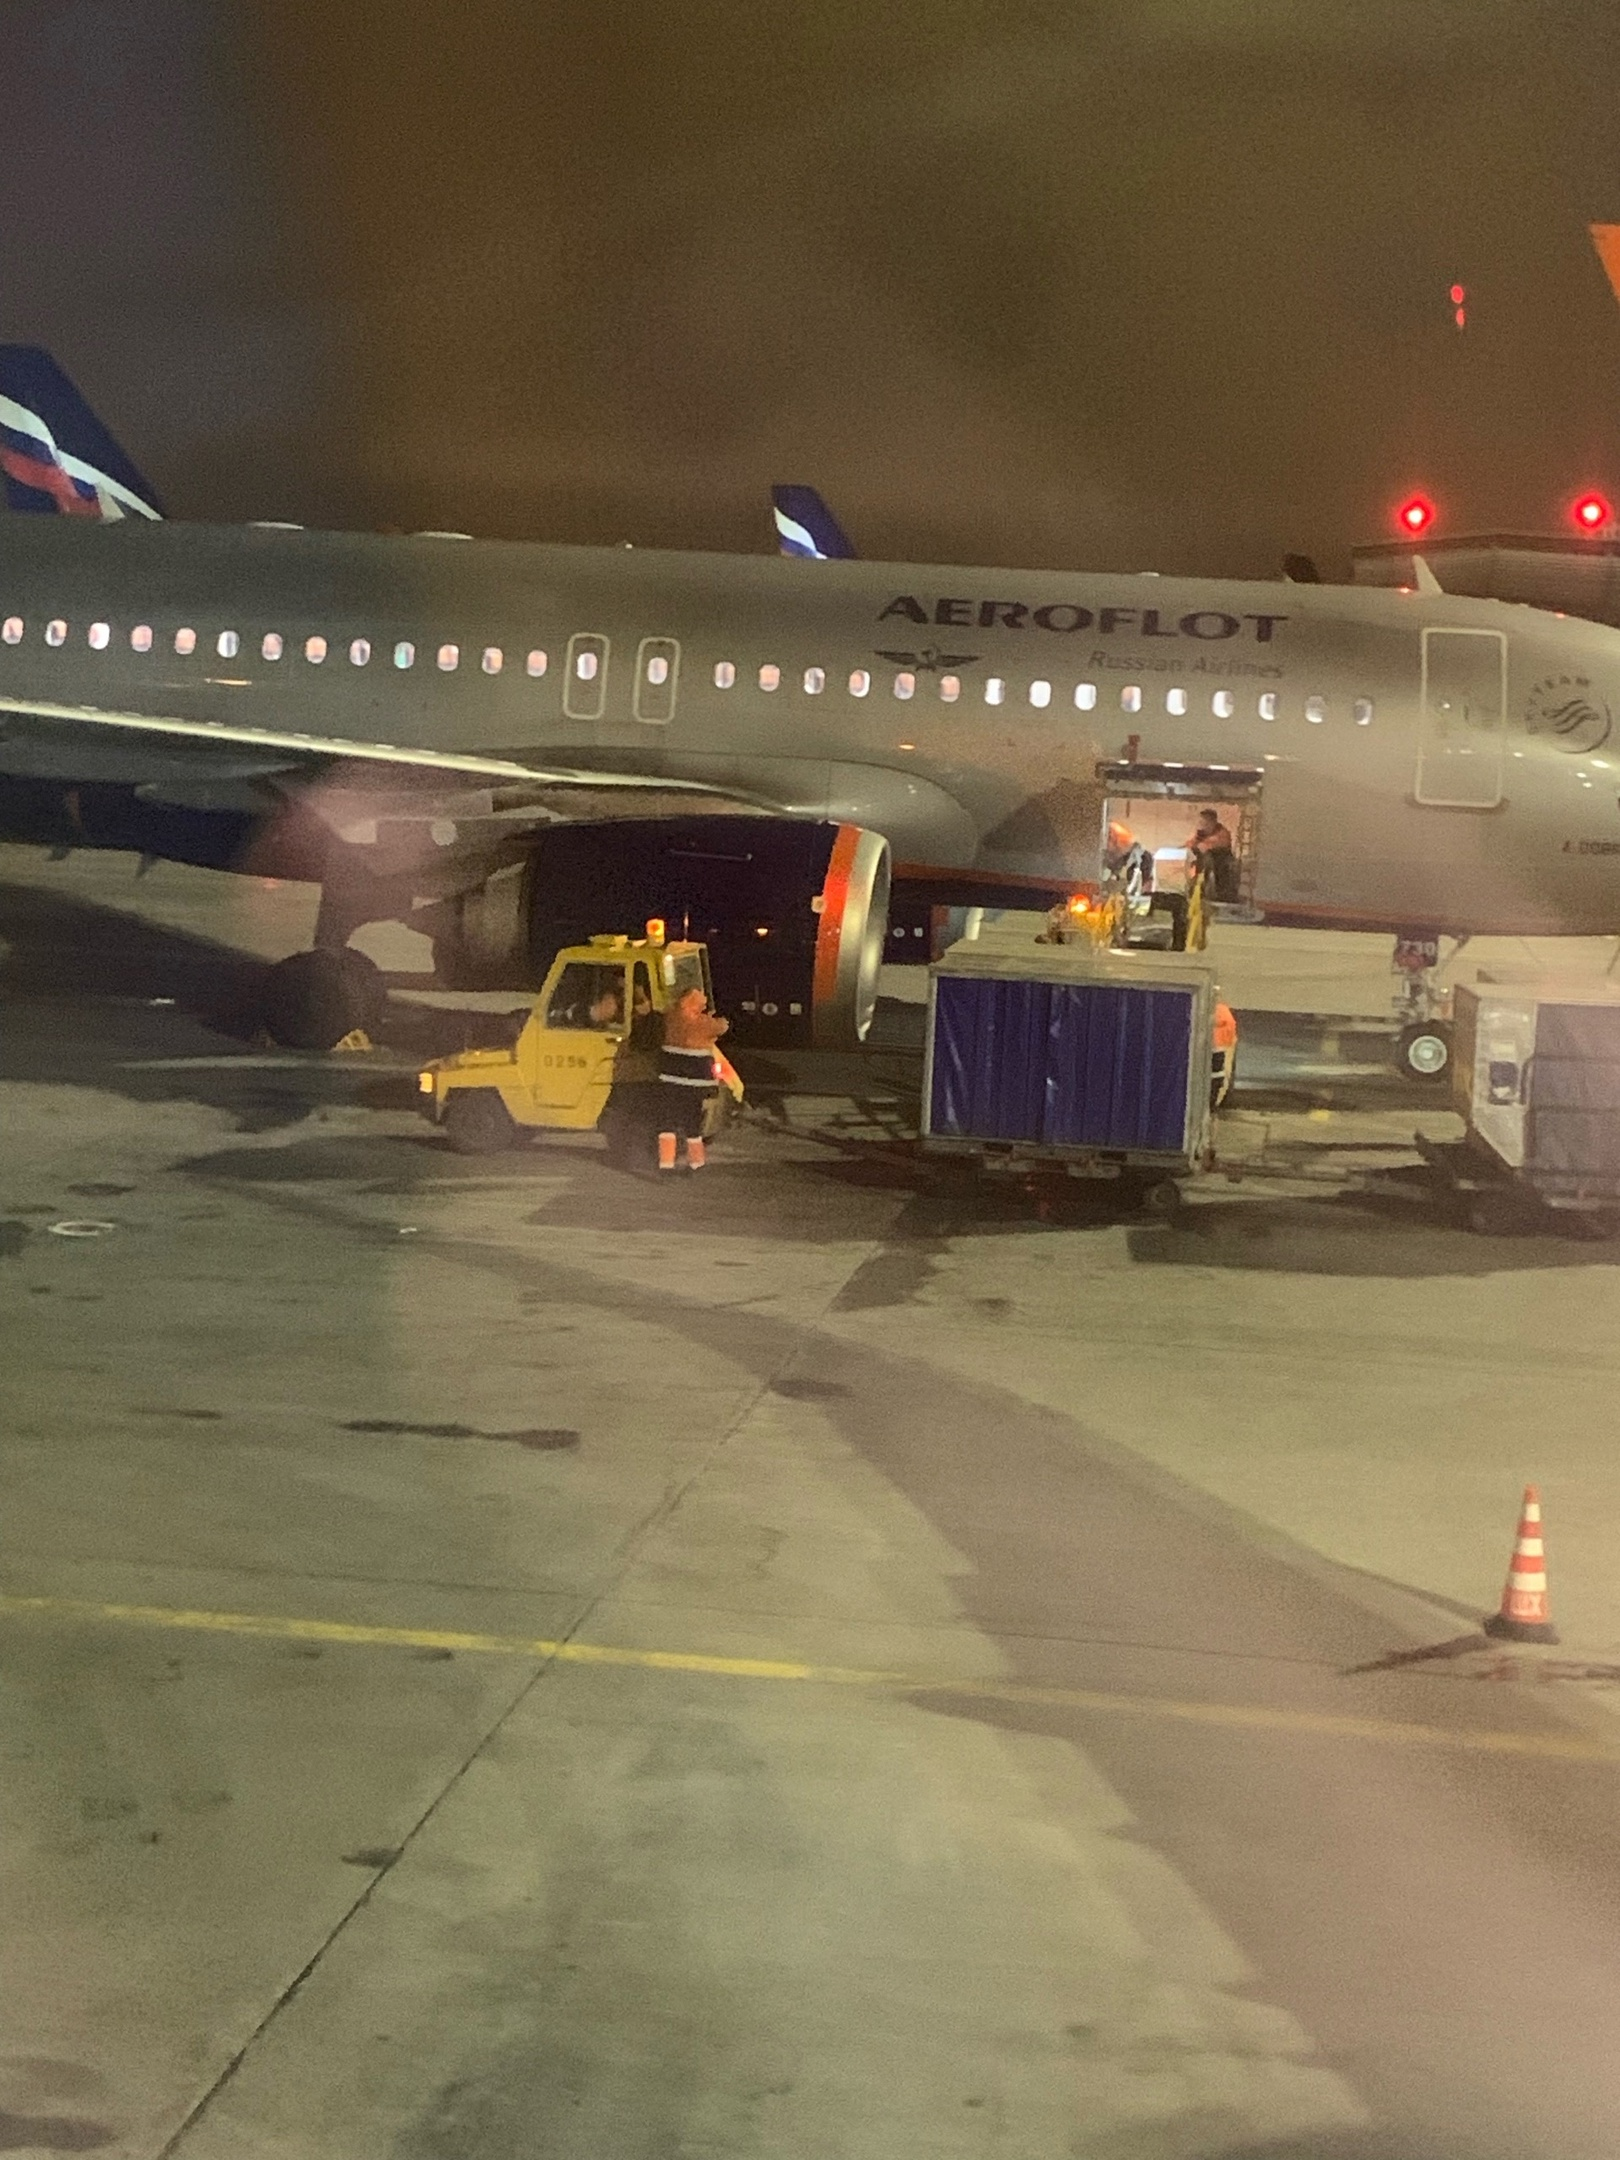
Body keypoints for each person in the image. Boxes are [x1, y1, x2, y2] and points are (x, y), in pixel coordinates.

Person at [657, 985, 729, 1172]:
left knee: (667, 1124)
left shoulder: (672, 1018)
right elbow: (722, 1026)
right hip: (695, 1085)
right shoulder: (704, 1023)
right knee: (693, 1126)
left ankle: (666, 1164)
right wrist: (712, 1018)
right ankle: (696, 1163)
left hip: (670, 1081)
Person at [1187, 808, 1238, 902]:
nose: (1202, 824)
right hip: (1204, 866)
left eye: (1205, 822)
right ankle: (1198, 889)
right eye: (1201, 822)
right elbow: (1192, 843)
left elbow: (1212, 844)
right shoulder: (1201, 833)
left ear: (1212, 822)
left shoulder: (1222, 833)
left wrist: (1201, 845)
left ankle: (1216, 895)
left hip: (1221, 866)